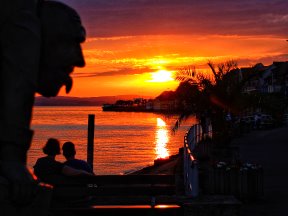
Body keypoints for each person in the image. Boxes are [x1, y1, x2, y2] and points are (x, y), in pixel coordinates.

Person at [0, 0, 86, 207]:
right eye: (72, 42)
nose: (81, 61)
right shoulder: (19, 11)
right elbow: (19, 77)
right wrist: (11, 159)